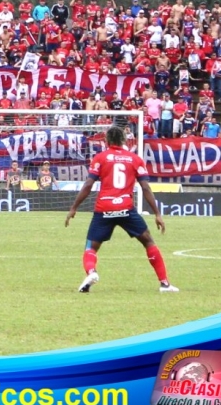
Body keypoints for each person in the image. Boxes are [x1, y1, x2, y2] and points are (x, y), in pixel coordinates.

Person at [65, 126, 178, 294]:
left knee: (91, 247)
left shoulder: (100, 158)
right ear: (124, 140)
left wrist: (74, 208)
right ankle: (164, 284)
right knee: (148, 241)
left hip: (104, 208)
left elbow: (88, 184)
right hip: (126, 209)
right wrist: (157, 214)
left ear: (107, 141)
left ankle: (91, 272)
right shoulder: (134, 159)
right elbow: (145, 187)